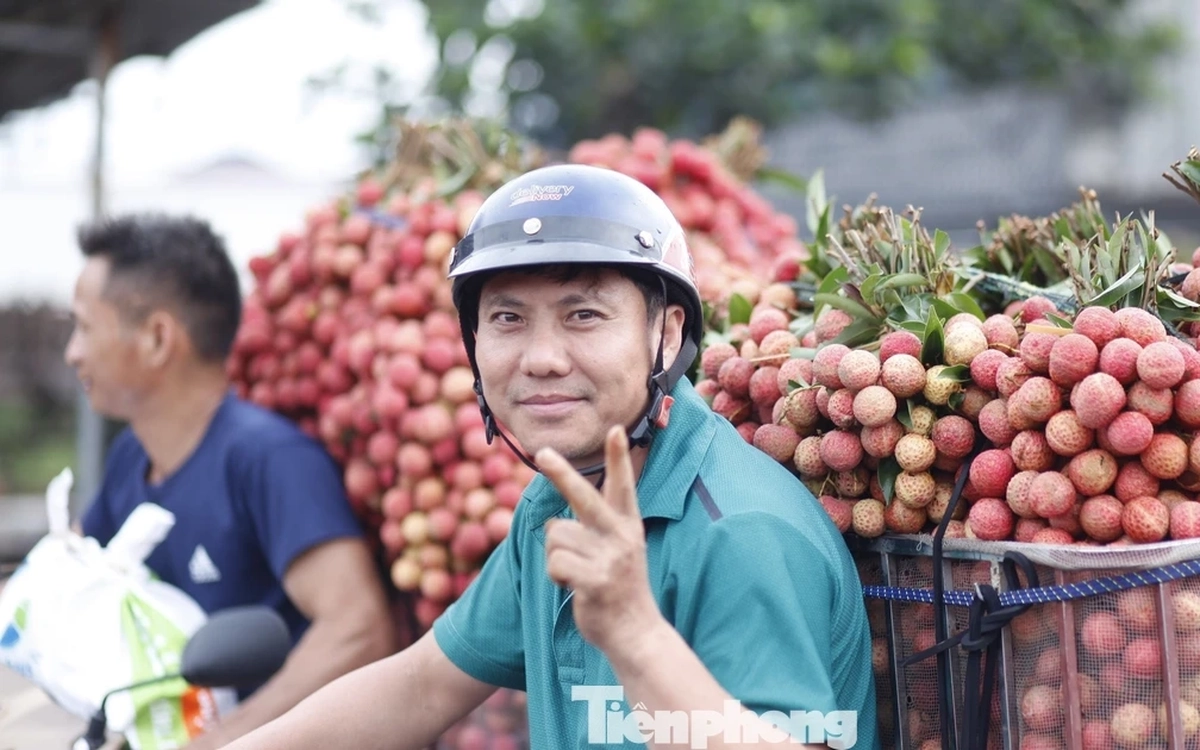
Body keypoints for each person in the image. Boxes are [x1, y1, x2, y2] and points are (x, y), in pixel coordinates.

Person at [223, 164, 880, 749]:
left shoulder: (739, 532)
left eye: (583, 315)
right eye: (508, 319)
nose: (540, 359)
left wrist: (636, 634)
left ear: (666, 333)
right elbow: (420, 687)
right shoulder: (558, 502)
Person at [63, 213, 395, 748]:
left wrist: (225, 740)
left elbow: (358, 630)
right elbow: (65, 574)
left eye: (83, 327)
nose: (72, 352)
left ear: (157, 338)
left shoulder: (269, 459)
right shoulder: (131, 457)